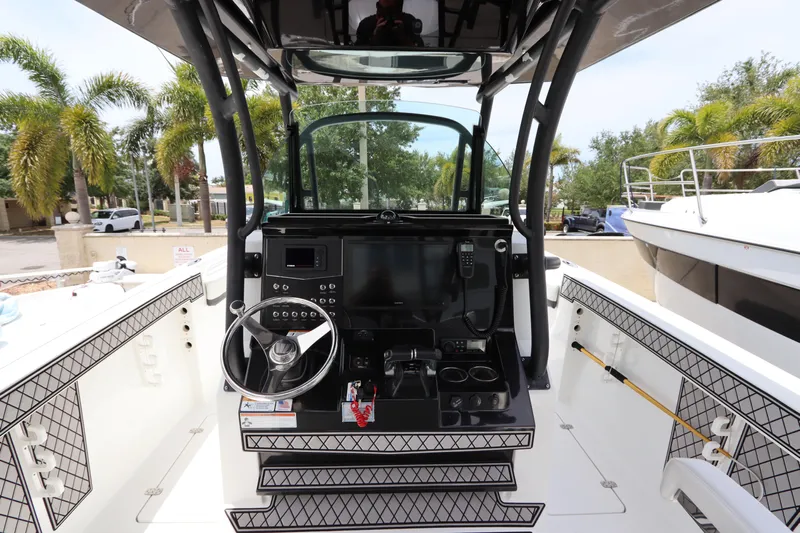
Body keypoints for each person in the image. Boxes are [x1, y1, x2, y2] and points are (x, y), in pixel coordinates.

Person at [356, 0, 424, 47]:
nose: (388, 19)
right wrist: (375, 38)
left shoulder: (409, 21)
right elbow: (357, 52)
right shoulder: (366, 24)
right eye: (384, 12)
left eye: (392, 12)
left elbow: (420, 51)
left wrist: (403, 38)